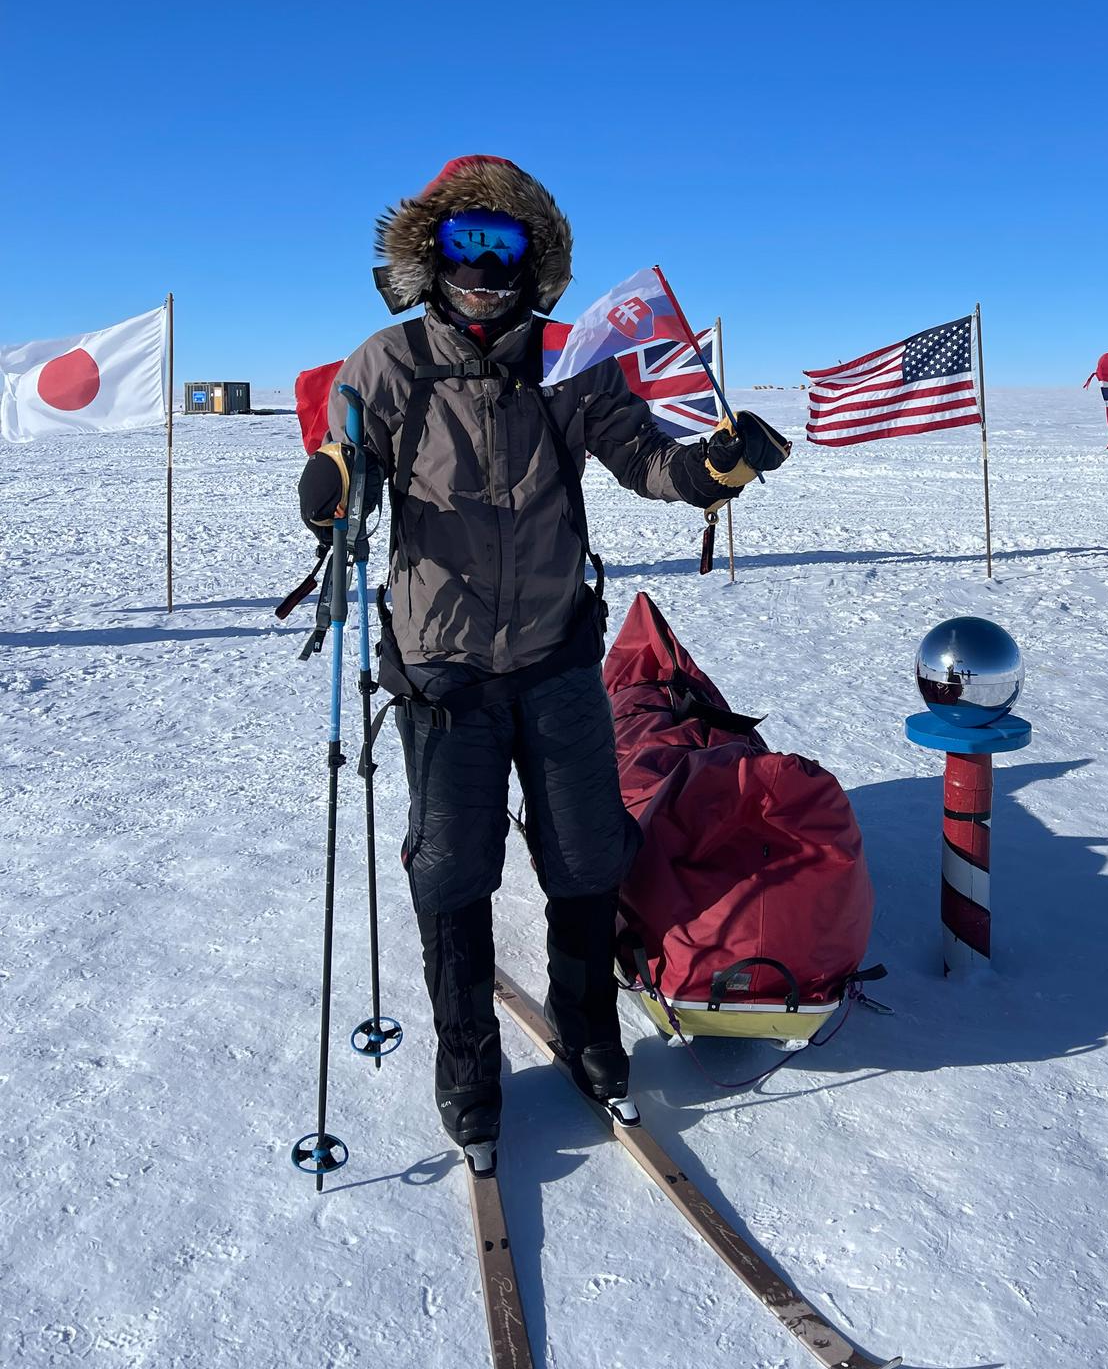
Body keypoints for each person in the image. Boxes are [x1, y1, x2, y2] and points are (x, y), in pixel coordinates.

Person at [298, 154, 787, 1163]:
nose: (482, 266)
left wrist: (713, 466)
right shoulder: (385, 365)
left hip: (558, 654)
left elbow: (646, 459)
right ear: (428, 255)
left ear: (536, 259)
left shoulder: (571, 363)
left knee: (584, 856)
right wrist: (332, 485)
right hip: (442, 670)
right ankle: (467, 1064)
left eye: (502, 244)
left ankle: (589, 1033)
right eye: (463, 244)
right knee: (451, 871)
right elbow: (349, 466)